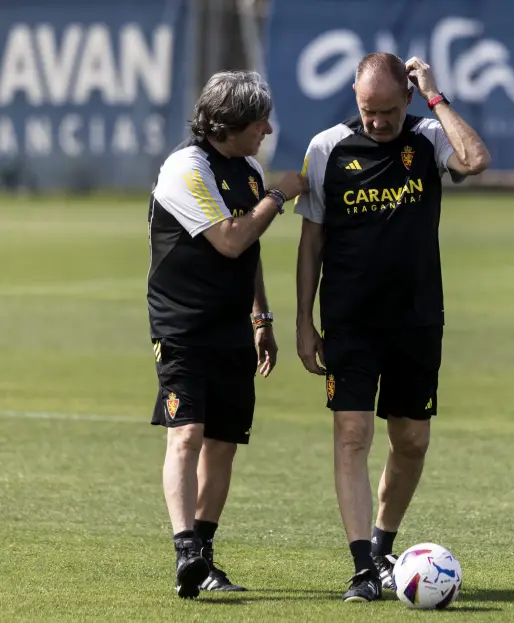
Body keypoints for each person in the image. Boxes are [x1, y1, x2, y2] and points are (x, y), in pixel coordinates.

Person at [294, 52, 491, 602]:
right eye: (367, 110)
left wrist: (435, 92)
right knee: (351, 435)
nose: (377, 122)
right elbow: (312, 242)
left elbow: (475, 159)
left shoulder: (428, 137)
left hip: (417, 319)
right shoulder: (327, 147)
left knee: (411, 440)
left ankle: (383, 545)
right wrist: (303, 320)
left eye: (386, 110)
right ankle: (362, 568)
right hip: (350, 322)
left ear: (406, 98)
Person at [147, 70, 308, 598]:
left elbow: (252, 252)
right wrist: (279, 196)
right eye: (259, 120)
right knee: (187, 434)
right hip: (183, 328)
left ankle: (205, 557)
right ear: (228, 124)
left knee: (223, 445)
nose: (267, 128)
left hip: (232, 328)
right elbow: (232, 240)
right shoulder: (186, 169)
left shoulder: (247, 167)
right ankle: (185, 551)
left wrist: (261, 318)